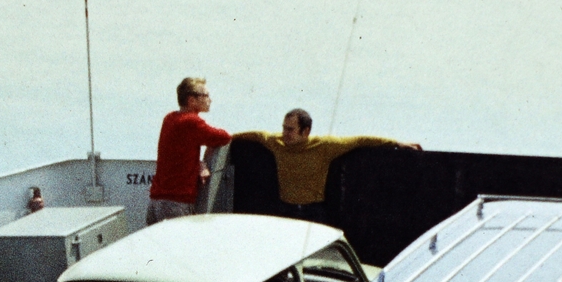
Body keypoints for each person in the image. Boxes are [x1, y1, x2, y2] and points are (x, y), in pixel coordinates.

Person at [237, 108, 422, 221]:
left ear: (305, 131)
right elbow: (254, 135)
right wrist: (221, 139)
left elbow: (360, 140)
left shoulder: (324, 146)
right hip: (285, 209)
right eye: (284, 127)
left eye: (290, 129)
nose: (284, 132)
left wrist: (397, 143)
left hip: (313, 211)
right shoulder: (275, 142)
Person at [149, 77, 231, 225]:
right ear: (191, 100)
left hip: (157, 203)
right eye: (205, 96)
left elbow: (178, 152)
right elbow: (223, 137)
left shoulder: (170, 118)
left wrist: (199, 163)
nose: (210, 100)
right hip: (175, 204)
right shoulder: (191, 122)